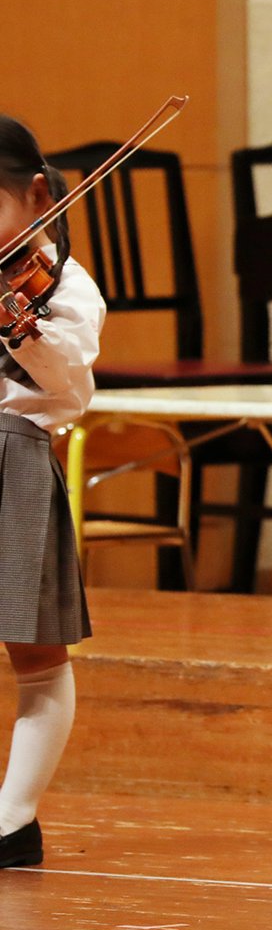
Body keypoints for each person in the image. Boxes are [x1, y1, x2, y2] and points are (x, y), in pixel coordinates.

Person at [0, 120, 104, 871]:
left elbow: (70, 381)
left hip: (15, 455)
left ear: (37, 195)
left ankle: (13, 817)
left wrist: (19, 326)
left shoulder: (62, 283)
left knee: (35, 649)